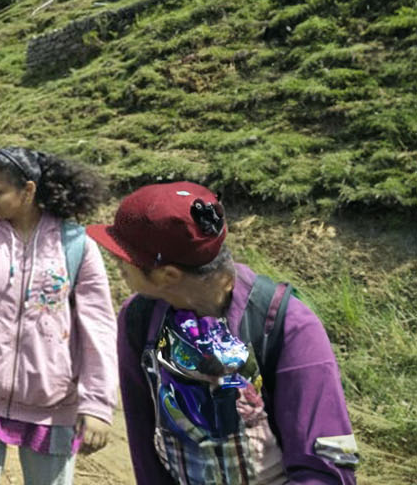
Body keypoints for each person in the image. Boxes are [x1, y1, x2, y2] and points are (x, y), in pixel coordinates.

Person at [87, 181, 359, 485]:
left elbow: (326, 464)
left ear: (169, 275)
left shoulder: (289, 327)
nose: (117, 263)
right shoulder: (139, 320)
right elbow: (143, 441)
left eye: (124, 257)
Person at [0, 147, 117, 485]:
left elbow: (98, 326)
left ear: (28, 190)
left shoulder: (76, 244)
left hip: (53, 403)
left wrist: (97, 403)